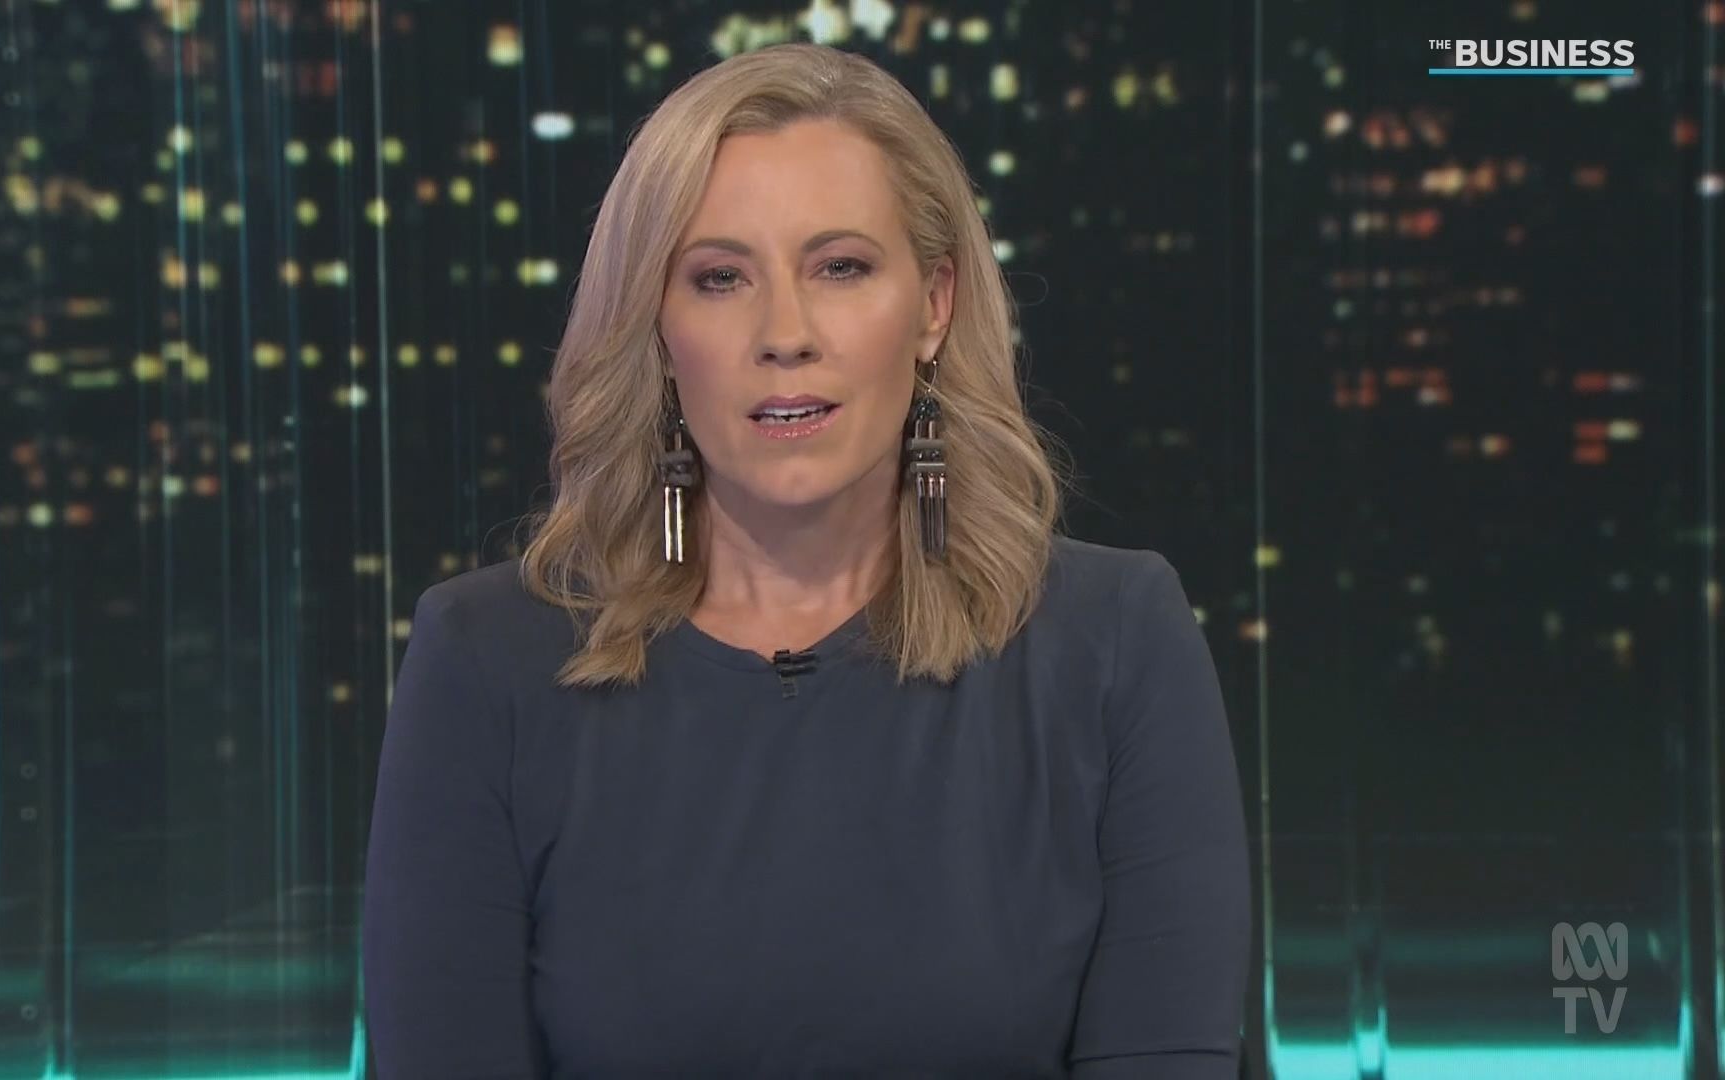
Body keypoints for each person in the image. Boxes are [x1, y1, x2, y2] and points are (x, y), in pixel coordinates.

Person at [363, 41, 1250, 1079]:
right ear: (656, 326)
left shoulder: (1114, 641)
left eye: (840, 267)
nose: (785, 333)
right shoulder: (487, 660)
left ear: (934, 305)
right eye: (720, 277)